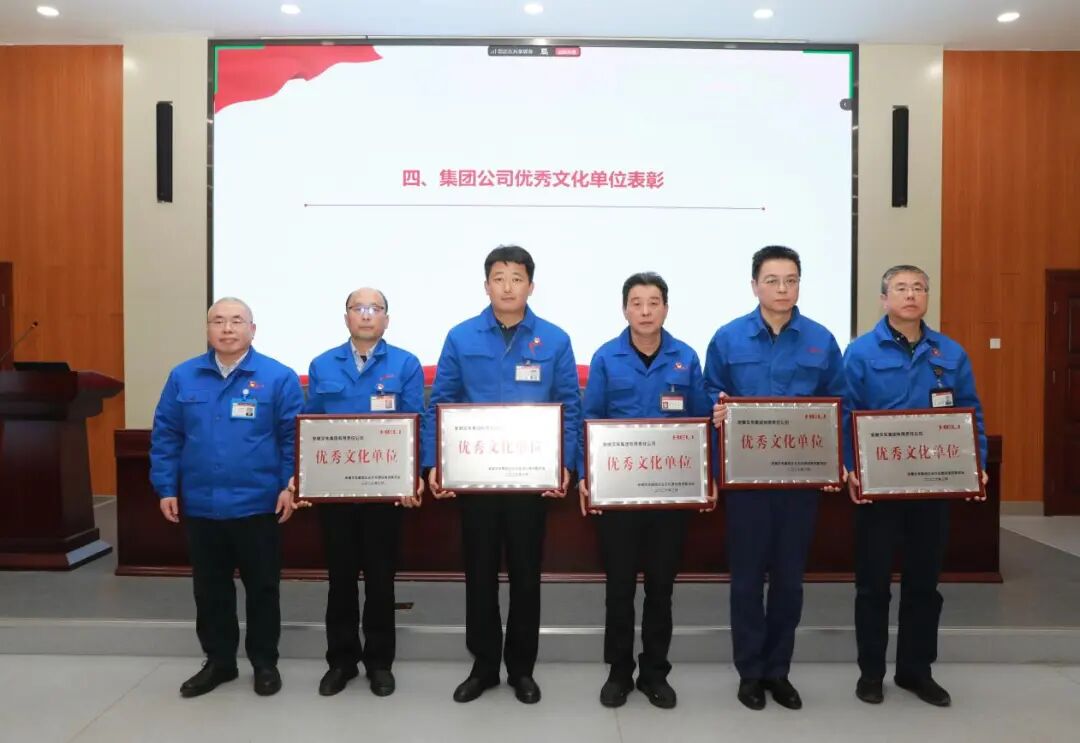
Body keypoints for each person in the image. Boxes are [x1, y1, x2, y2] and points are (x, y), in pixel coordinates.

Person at [422, 245, 582, 704]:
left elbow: (570, 406)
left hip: (531, 482)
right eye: (499, 277)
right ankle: (484, 666)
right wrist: (435, 463)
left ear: (531, 285)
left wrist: (566, 464)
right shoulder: (461, 337)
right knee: (480, 574)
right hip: (475, 481)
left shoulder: (554, 340)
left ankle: (522, 669)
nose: (508, 286)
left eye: (516, 278)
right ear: (486, 285)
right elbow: (441, 402)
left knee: (527, 576)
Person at [704, 246, 846, 711]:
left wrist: (840, 460)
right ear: (754, 286)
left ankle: (778, 671)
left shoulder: (821, 340)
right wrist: (716, 409)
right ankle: (750, 672)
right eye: (772, 280)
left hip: (800, 484)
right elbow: (709, 392)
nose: (782, 289)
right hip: (746, 485)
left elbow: (840, 404)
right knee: (746, 581)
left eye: (791, 280)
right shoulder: (728, 338)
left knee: (789, 581)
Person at [844, 264, 988, 708]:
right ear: (883, 298)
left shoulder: (950, 352)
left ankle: (915, 671)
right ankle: (871, 673)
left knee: (924, 585)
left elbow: (971, 412)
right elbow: (845, 413)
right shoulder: (860, 352)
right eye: (901, 288)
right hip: (878, 490)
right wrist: (849, 467)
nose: (911, 295)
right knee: (872, 585)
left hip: (932, 487)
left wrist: (977, 462)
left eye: (919, 288)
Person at [150, 297, 303, 698]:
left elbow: (293, 439)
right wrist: (166, 487)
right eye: (218, 321)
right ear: (207, 330)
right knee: (210, 589)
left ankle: (264, 663)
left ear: (253, 329)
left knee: (263, 588)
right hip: (201, 503)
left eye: (236, 321)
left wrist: (289, 486)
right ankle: (219, 662)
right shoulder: (183, 376)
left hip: (259, 504)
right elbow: (166, 435)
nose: (227, 328)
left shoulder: (278, 377)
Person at [578, 272, 714, 710]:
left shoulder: (685, 357)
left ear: (666, 309)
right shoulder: (606, 357)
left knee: (661, 588)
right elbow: (589, 420)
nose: (645, 311)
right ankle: (619, 673)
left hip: (669, 497)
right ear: (625, 310)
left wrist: (708, 475)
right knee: (619, 588)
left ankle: (655, 672)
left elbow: (702, 423)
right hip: (618, 496)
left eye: (654, 302)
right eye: (636, 303)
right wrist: (584, 476)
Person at [302, 287, 425, 698]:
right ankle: (341, 662)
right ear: (347, 317)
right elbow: (310, 425)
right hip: (335, 495)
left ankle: (379, 663)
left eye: (375, 308)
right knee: (339, 581)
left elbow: (416, 422)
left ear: (387, 318)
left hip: (384, 495)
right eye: (358, 308)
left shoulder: (406, 364)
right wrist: (305, 477)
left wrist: (412, 477)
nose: (367, 314)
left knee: (380, 580)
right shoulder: (323, 364)